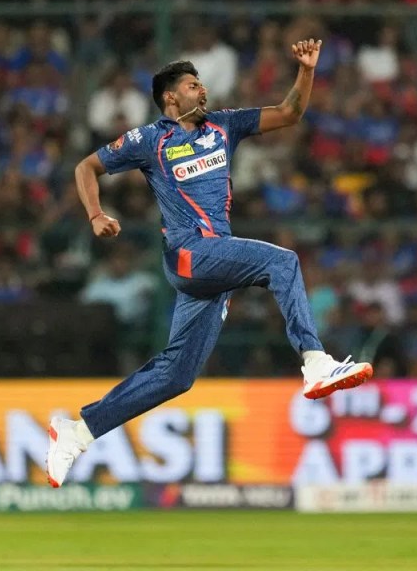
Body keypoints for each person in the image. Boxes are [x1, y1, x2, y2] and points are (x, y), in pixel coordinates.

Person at [46, 39, 373, 488]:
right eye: (192, 85)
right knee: (283, 261)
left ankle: (78, 431)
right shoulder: (150, 140)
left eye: (201, 84)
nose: (202, 91)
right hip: (188, 253)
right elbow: (86, 167)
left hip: (213, 265)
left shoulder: (224, 125)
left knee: (177, 375)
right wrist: (96, 215)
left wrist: (307, 70)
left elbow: (289, 112)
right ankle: (315, 360)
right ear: (170, 98)